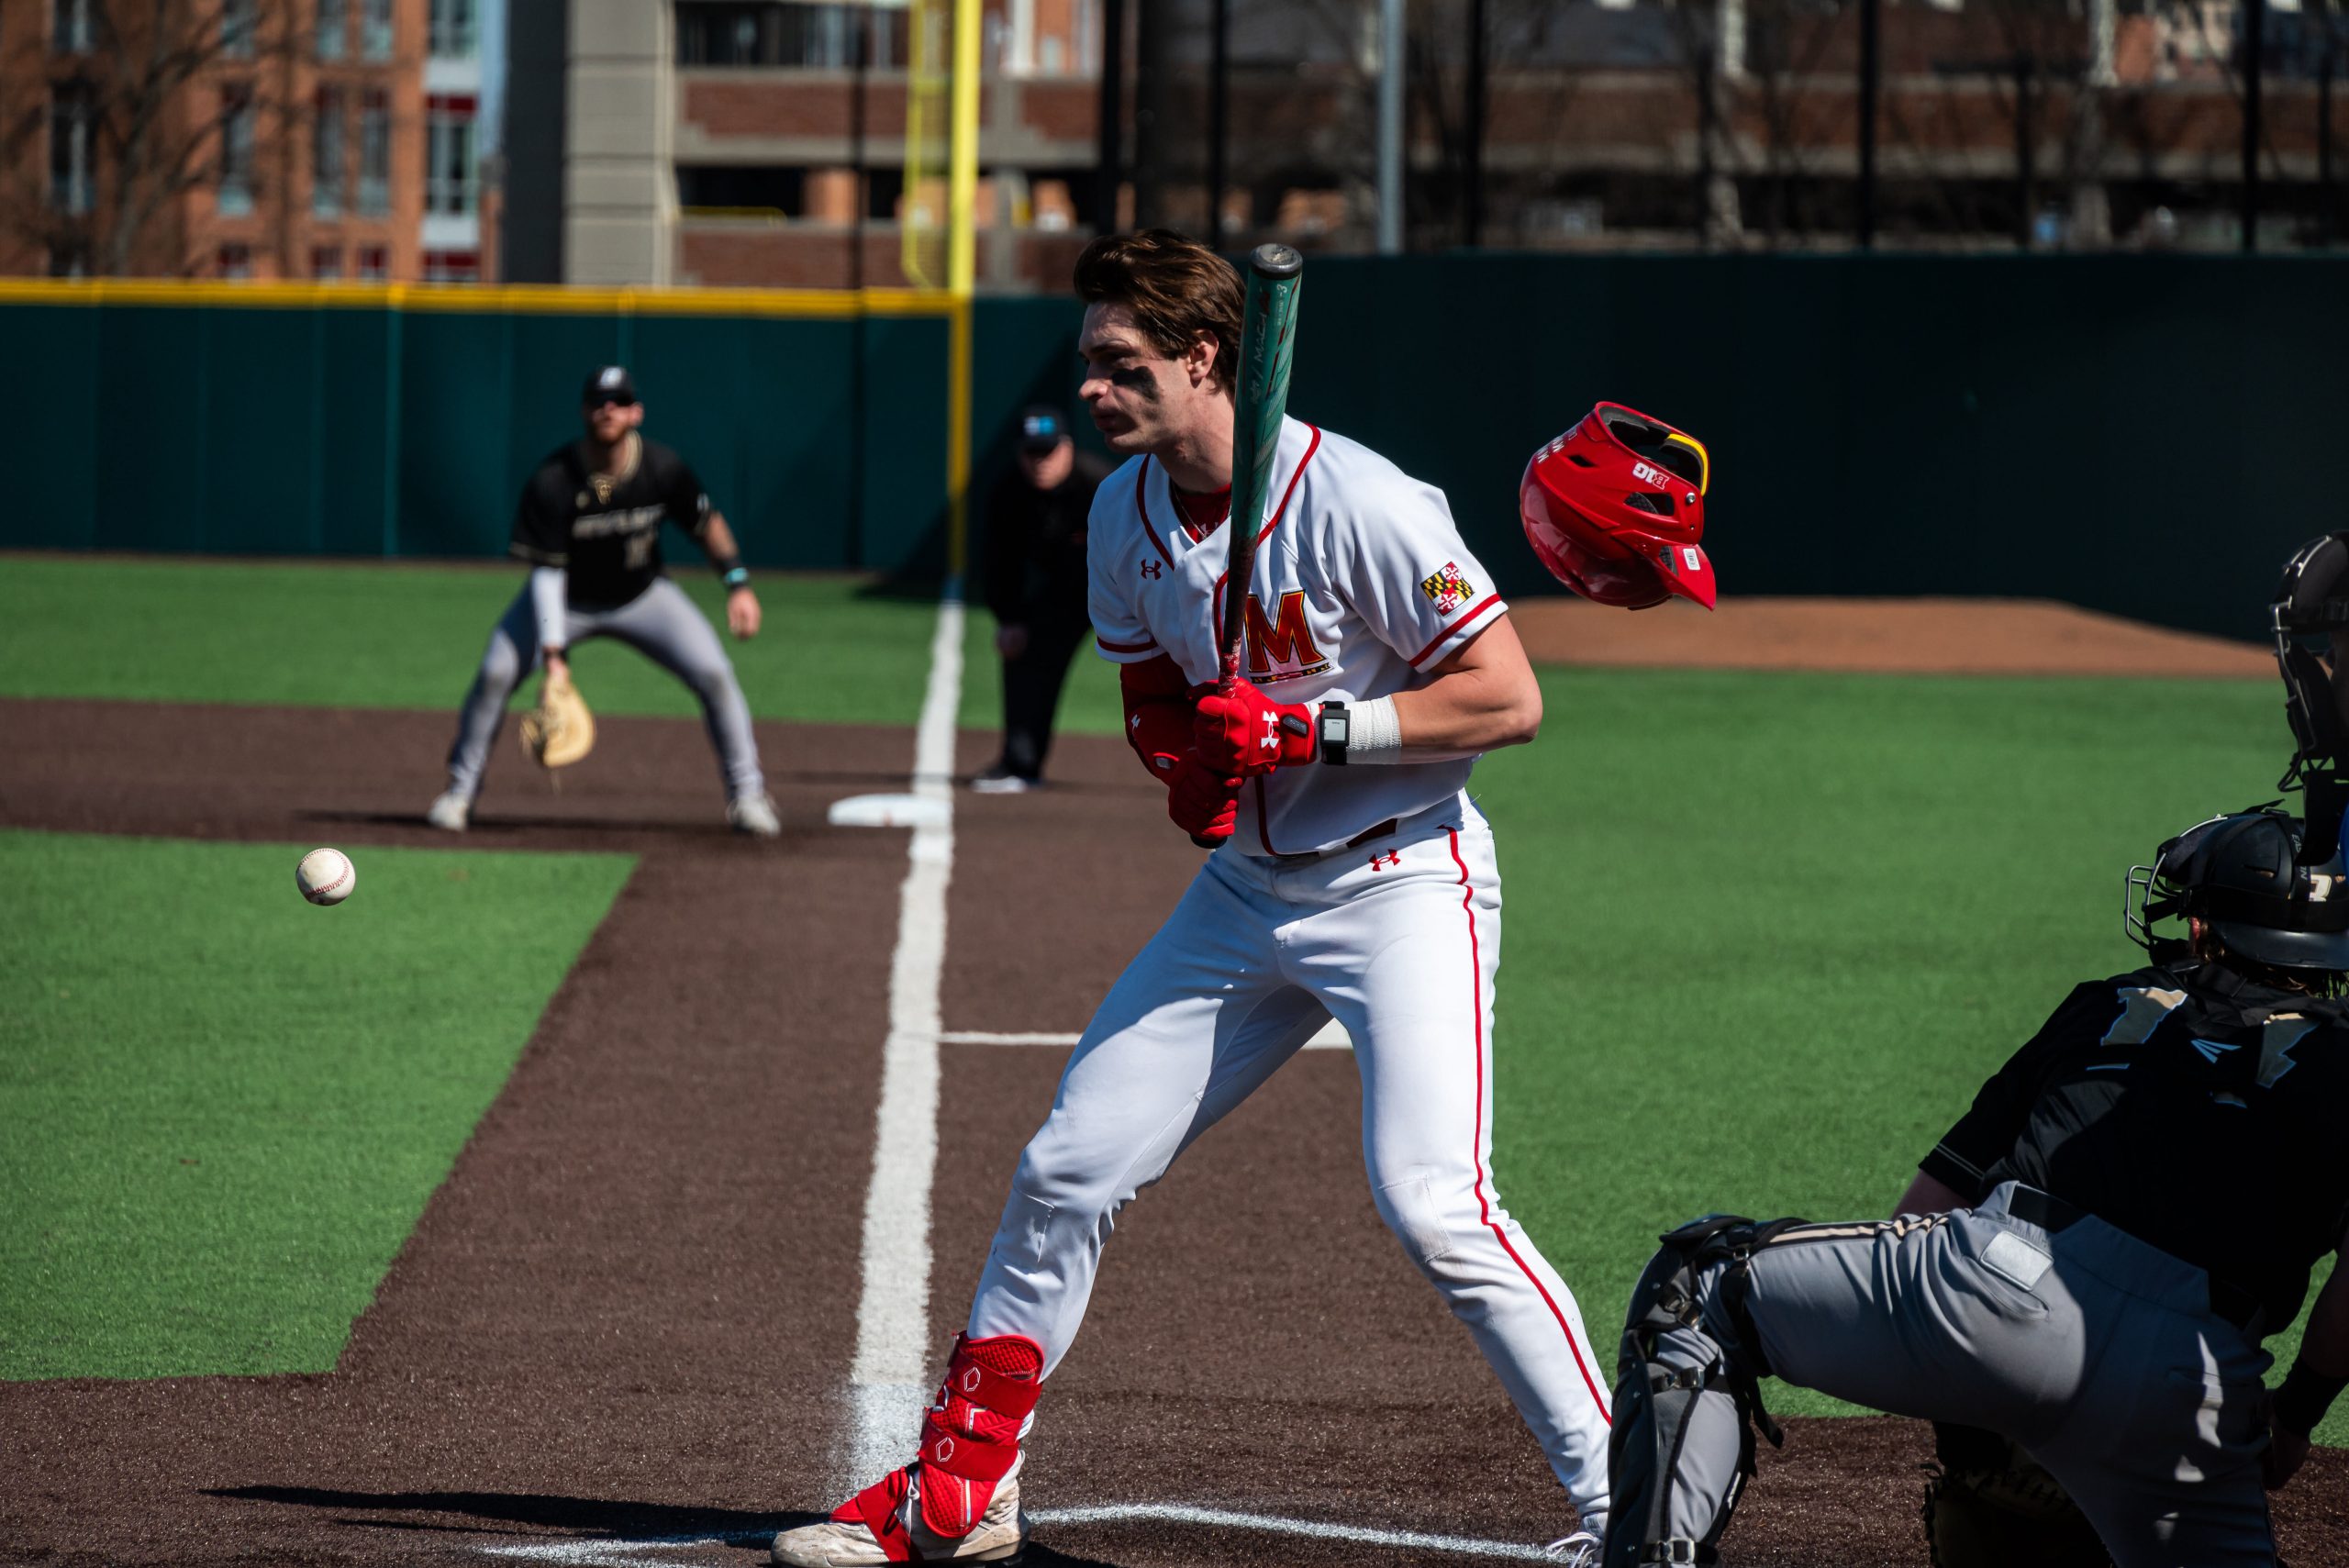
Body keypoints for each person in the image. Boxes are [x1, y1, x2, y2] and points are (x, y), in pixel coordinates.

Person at [774, 229, 1623, 1568]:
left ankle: (1634, 1509)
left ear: (1205, 358)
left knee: (1435, 1200)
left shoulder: (1367, 502)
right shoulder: (1123, 513)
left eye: (1120, 364)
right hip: (1245, 894)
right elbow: (1156, 698)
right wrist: (1186, 765)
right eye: (1088, 361)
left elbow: (1508, 699)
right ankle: (967, 1486)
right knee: (1070, 1163)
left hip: (1404, 878)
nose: (1093, 387)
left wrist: (1308, 736)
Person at [1601, 806, 2349, 1568]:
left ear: (2203, 929)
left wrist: (1974, 1394)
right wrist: (2293, 1420)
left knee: (1698, 1284)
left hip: (2001, 1290)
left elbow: (1924, 1211)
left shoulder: (2113, 1004)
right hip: (2189, 1385)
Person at [426, 365, 780, 837]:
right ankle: (459, 792)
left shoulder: (663, 468)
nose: (606, 410)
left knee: (715, 673)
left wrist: (737, 583)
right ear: (584, 411)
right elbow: (548, 574)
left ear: (636, 412)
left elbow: (706, 524)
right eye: (597, 402)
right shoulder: (554, 480)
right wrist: (553, 655)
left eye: (617, 401)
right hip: (565, 602)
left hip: (642, 595)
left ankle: (749, 796)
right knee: (495, 672)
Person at [972, 405, 1111, 794]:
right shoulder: (1008, 491)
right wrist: (1009, 618)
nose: (1040, 462)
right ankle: (1020, 763)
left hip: (1124, 591)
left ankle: (1213, 762)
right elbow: (999, 563)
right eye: (1032, 452)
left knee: (1178, 661)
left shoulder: (1100, 486)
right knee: (1024, 653)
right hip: (1066, 594)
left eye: (1048, 451)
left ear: (1067, 448)